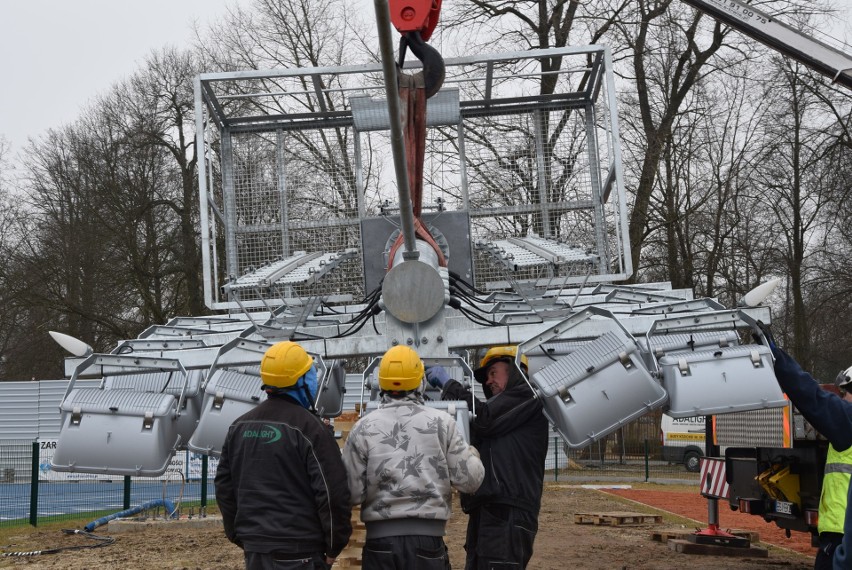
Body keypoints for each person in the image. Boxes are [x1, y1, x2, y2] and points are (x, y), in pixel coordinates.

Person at [341, 345, 484, 569]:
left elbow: (351, 493)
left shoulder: (363, 428)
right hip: (427, 543)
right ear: (420, 382)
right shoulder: (442, 423)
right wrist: (472, 453)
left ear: (382, 383)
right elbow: (470, 480)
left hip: (380, 544)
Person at [215, 341, 352, 570]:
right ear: (300, 380)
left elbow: (224, 488)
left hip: (256, 550)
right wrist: (334, 545)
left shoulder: (238, 426)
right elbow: (332, 493)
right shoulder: (310, 429)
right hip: (301, 551)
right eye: (310, 373)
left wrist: (241, 535)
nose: (314, 380)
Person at [426, 346, 549, 570]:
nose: (489, 381)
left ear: (515, 372)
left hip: (508, 514)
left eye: (494, 373)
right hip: (489, 511)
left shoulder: (526, 396)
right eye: (488, 376)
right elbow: (471, 433)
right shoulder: (500, 412)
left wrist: (450, 385)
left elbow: (485, 419)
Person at [760, 324, 852, 570]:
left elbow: (811, 395)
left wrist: (776, 356)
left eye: (848, 391)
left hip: (841, 537)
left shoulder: (849, 422)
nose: (844, 397)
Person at [814, 367, 852, 569]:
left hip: (840, 533)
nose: (842, 398)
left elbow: (814, 401)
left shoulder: (845, 429)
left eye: (845, 393)